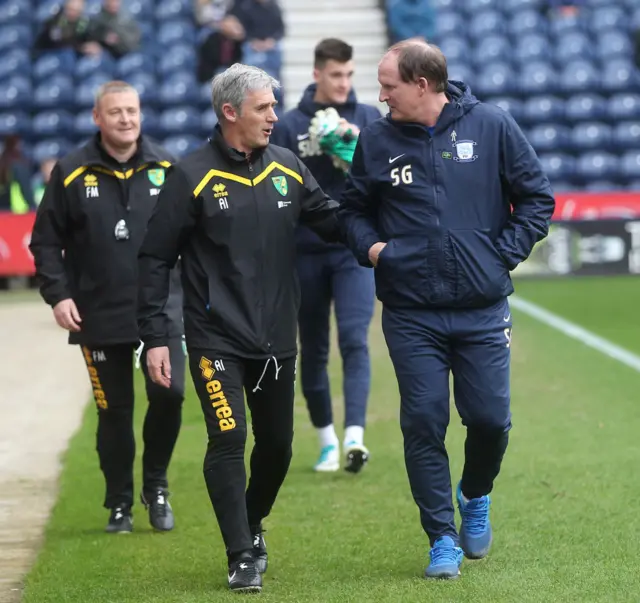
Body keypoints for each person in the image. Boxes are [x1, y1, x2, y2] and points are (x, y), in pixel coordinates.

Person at [338, 40, 555, 579]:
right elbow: (352, 211)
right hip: (412, 313)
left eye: (389, 86)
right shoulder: (376, 137)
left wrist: (498, 257)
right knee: (423, 422)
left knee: (490, 421)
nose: (381, 96)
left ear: (422, 84)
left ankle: (475, 493)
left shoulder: (493, 126)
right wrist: (371, 248)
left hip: (482, 309)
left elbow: (536, 200)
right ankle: (441, 538)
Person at [137, 63, 341, 593]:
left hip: (277, 336)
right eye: (264, 108)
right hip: (214, 339)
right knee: (228, 437)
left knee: (277, 448)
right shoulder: (191, 174)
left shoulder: (290, 167)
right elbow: (155, 259)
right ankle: (240, 554)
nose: (274, 116)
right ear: (230, 113)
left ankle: (252, 523)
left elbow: (335, 221)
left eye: (273, 106)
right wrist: (156, 335)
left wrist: (383, 199)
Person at [29, 81, 185, 535]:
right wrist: (58, 295)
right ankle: (119, 503)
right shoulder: (72, 171)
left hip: (160, 312)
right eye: (115, 112)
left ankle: (155, 486)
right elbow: (44, 241)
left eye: (132, 110)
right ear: (98, 118)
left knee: (169, 396)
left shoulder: (167, 165)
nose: (126, 119)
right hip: (99, 316)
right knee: (113, 412)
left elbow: (191, 237)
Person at [270, 38, 381, 473]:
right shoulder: (289, 125)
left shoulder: (369, 118)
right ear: (317, 74)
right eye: (336, 74)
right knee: (312, 351)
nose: (344, 83)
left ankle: (355, 437)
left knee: (355, 339)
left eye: (350, 75)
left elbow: (383, 180)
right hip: (304, 254)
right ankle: (326, 440)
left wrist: (354, 151)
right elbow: (275, 187)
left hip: (353, 251)